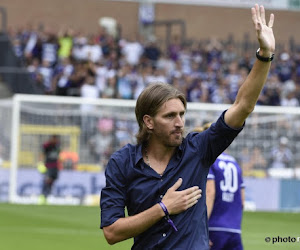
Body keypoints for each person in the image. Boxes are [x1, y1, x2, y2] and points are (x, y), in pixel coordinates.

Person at [100, 4, 275, 249]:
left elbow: (242, 106)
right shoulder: (122, 162)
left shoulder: (199, 149)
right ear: (148, 122)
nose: (180, 122)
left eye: (182, 114)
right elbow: (111, 232)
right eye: (170, 116)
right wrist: (163, 208)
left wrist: (264, 55)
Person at [195, 123, 245, 250]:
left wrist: (202, 229)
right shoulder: (235, 163)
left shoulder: (210, 160)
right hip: (234, 229)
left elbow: (210, 193)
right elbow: (242, 201)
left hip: (214, 227)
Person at [38, 135, 61, 204]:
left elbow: (58, 156)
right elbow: (42, 154)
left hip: (55, 167)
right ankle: (42, 196)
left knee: (52, 182)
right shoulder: (47, 145)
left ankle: (46, 196)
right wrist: (40, 163)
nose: (56, 140)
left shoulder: (57, 146)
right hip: (48, 166)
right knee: (47, 180)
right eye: (54, 139)